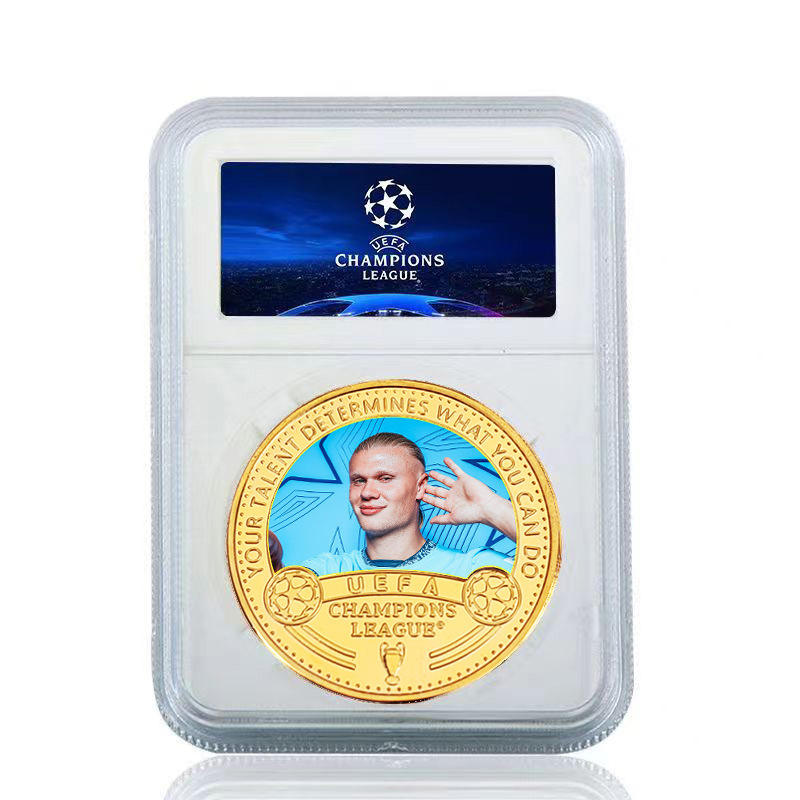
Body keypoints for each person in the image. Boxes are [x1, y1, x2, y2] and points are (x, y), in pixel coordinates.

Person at [269, 432, 517, 579]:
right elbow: (271, 609)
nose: (367, 492)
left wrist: (492, 509)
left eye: (385, 478)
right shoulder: (327, 572)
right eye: (358, 480)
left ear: (420, 487)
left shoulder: (471, 570)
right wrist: (271, 560)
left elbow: (541, 580)